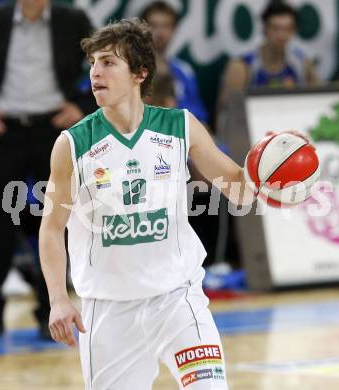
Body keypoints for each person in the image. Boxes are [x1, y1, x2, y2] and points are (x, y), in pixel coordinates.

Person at [39, 18, 249, 389]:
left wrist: (274, 174)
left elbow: (239, 189)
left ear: (139, 72)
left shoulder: (179, 126)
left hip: (177, 299)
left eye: (108, 62)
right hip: (108, 310)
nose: (95, 72)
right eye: (93, 63)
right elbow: (52, 229)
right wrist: (58, 299)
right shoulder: (72, 144)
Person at [0, 0, 95, 338]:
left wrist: (80, 106)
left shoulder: (72, 19)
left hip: (54, 129)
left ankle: (51, 309)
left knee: (55, 219)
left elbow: (106, 59)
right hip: (3, 130)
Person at [218, 1, 320, 108]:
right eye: (275, 28)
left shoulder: (302, 63)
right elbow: (227, 111)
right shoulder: (242, 66)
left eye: (287, 29)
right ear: (265, 29)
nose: (281, 35)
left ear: (294, 31)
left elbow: (320, 100)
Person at [141, 1, 209, 123]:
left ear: (174, 30)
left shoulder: (184, 71)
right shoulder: (131, 69)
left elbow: (200, 118)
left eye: (166, 26)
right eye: (154, 25)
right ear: (143, 29)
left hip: (184, 134)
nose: (160, 33)